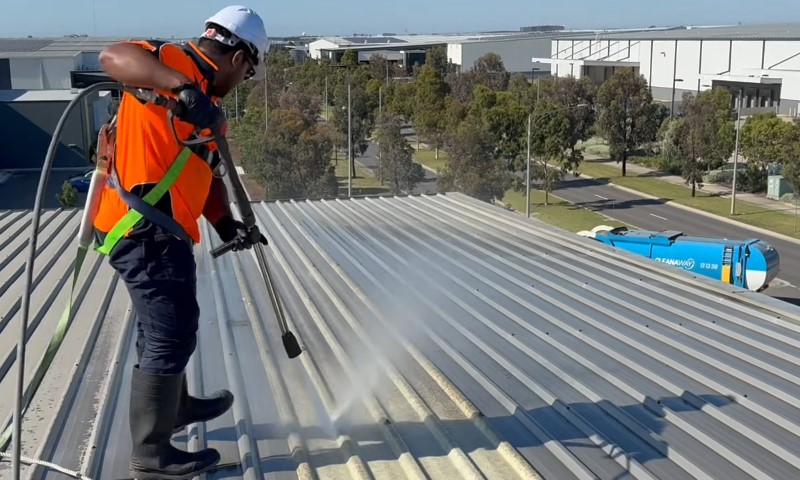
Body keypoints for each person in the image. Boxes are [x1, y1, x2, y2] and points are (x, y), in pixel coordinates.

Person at [93, 5, 268, 479]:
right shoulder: (168, 62)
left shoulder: (209, 107)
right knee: (170, 331)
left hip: (165, 231)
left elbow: (205, 176)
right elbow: (112, 56)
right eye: (249, 72)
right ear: (238, 57)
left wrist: (227, 225)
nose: (244, 80)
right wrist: (183, 88)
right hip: (140, 227)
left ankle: (177, 407)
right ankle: (151, 454)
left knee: (168, 325)